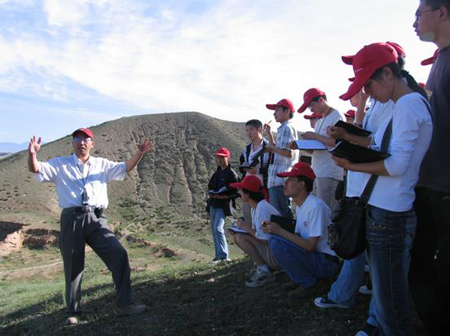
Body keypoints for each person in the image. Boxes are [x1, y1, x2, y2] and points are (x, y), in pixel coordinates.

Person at [335, 42, 433, 335]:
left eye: (370, 84)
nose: (368, 93)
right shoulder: (406, 104)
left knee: (391, 303)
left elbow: (397, 165)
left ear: (388, 74)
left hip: (390, 214)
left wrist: (352, 166)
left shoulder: (408, 105)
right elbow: (380, 146)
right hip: (386, 211)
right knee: (388, 295)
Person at [27, 128, 152, 325]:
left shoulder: (101, 164)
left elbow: (125, 167)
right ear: (73, 144)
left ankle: (124, 305)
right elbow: (36, 169)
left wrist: (140, 153)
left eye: (85, 139)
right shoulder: (61, 164)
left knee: (119, 255)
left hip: (96, 218)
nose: (81, 142)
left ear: (92, 144)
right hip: (72, 219)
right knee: (73, 267)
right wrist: (32, 154)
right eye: (77, 139)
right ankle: (73, 312)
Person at [411, 1, 450, 334]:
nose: (414, 21)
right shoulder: (440, 61)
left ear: (442, 13)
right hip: (432, 186)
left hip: (446, 189)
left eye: (419, 12)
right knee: (424, 270)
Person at [262, 162, 339, 300]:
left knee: (277, 243)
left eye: (290, 179)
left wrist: (280, 231)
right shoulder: (301, 206)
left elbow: (310, 246)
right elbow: (298, 237)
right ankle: (301, 278)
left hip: (326, 262)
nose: (285, 183)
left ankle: (308, 283)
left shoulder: (315, 206)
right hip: (316, 258)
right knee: (275, 240)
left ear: (302, 184)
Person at [229, 175, 281, 287]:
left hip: (276, 255)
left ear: (248, 194)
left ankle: (264, 271)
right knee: (238, 235)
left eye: (242, 191)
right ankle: (261, 267)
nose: (240, 193)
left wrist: (246, 228)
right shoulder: (256, 207)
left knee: (240, 237)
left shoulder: (262, 209)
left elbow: (264, 239)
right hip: (273, 251)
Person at [297, 88, 344, 209]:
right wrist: (301, 146)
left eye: (311, 105)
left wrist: (314, 136)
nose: (311, 109)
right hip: (317, 171)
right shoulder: (319, 122)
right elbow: (318, 149)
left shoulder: (337, 116)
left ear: (321, 100)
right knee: (316, 209)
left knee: (325, 210)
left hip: (329, 171)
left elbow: (339, 144)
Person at [264, 99, 298, 222]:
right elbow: (279, 150)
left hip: (279, 180)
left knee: (281, 216)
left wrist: (271, 147)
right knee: (279, 214)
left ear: (287, 111)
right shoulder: (284, 129)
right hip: (277, 180)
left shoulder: (286, 129)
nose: (274, 114)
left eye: (277, 110)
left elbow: (289, 153)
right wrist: (270, 135)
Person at [207, 147, 238, 264]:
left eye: (222, 157)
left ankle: (224, 256)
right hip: (213, 204)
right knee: (215, 230)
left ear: (227, 158)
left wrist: (225, 196)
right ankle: (218, 256)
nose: (220, 160)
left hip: (222, 205)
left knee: (218, 229)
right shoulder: (217, 173)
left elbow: (236, 191)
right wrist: (213, 193)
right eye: (218, 158)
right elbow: (210, 186)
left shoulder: (231, 174)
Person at [239, 119, 271, 225]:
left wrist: (258, 171)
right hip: (248, 188)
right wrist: (245, 167)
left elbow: (271, 167)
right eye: (247, 130)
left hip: (263, 189)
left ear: (260, 130)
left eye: (251, 130)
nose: (249, 133)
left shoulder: (268, 147)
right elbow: (242, 164)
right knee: (248, 217)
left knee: (261, 219)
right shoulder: (247, 149)